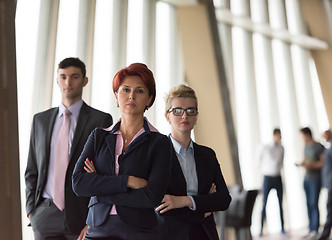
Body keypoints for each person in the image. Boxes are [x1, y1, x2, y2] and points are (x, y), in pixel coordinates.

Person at [72, 63, 172, 240]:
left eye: (139, 91)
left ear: (149, 99)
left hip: (139, 232)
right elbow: (79, 182)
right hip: (97, 229)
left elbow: (152, 196)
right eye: (125, 90)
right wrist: (128, 181)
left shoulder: (160, 142)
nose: (131, 96)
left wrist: (100, 191)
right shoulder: (99, 136)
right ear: (117, 96)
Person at [25, 57, 113, 240]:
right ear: (57, 80)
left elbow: (105, 174)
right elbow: (32, 168)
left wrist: (92, 219)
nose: (68, 82)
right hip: (44, 214)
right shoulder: (40, 120)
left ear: (84, 80)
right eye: (63, 76)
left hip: (81, 215)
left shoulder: (100, 121)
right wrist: (31, 211)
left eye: (74, 76)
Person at [155, 84, 231, 240]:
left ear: (196, 116)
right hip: (169, 235)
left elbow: (223, 199)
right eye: (177, 111)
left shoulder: (208, 155)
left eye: (191, 111)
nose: (185, 116)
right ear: (167, 116)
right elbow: (160, 205)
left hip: (205, 234)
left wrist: (182, 200)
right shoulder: (156, 155)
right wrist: (203, 206)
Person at [258, 128, 288, 237]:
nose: (279, 138)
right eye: (278, 135)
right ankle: (260, 229)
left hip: (277, 177)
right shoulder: (266, 147)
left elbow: (281, 162)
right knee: (264, 204)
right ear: (274, 135)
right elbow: (259, 160)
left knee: (280, 204)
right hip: (267, 178)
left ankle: (283, 229)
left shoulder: (282, 148)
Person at [296, 127, 324, 239]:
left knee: (314, 203)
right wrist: (301, 164)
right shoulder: (306, 146)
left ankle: (316, 229)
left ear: (307, 135)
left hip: (316, 178)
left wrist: (311, 166)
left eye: (302, 136)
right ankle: (311, 228)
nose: (301, 138)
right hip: (306, 178)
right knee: (308, 203)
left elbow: (322, 163)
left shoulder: (319, 146)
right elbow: (305, 160)